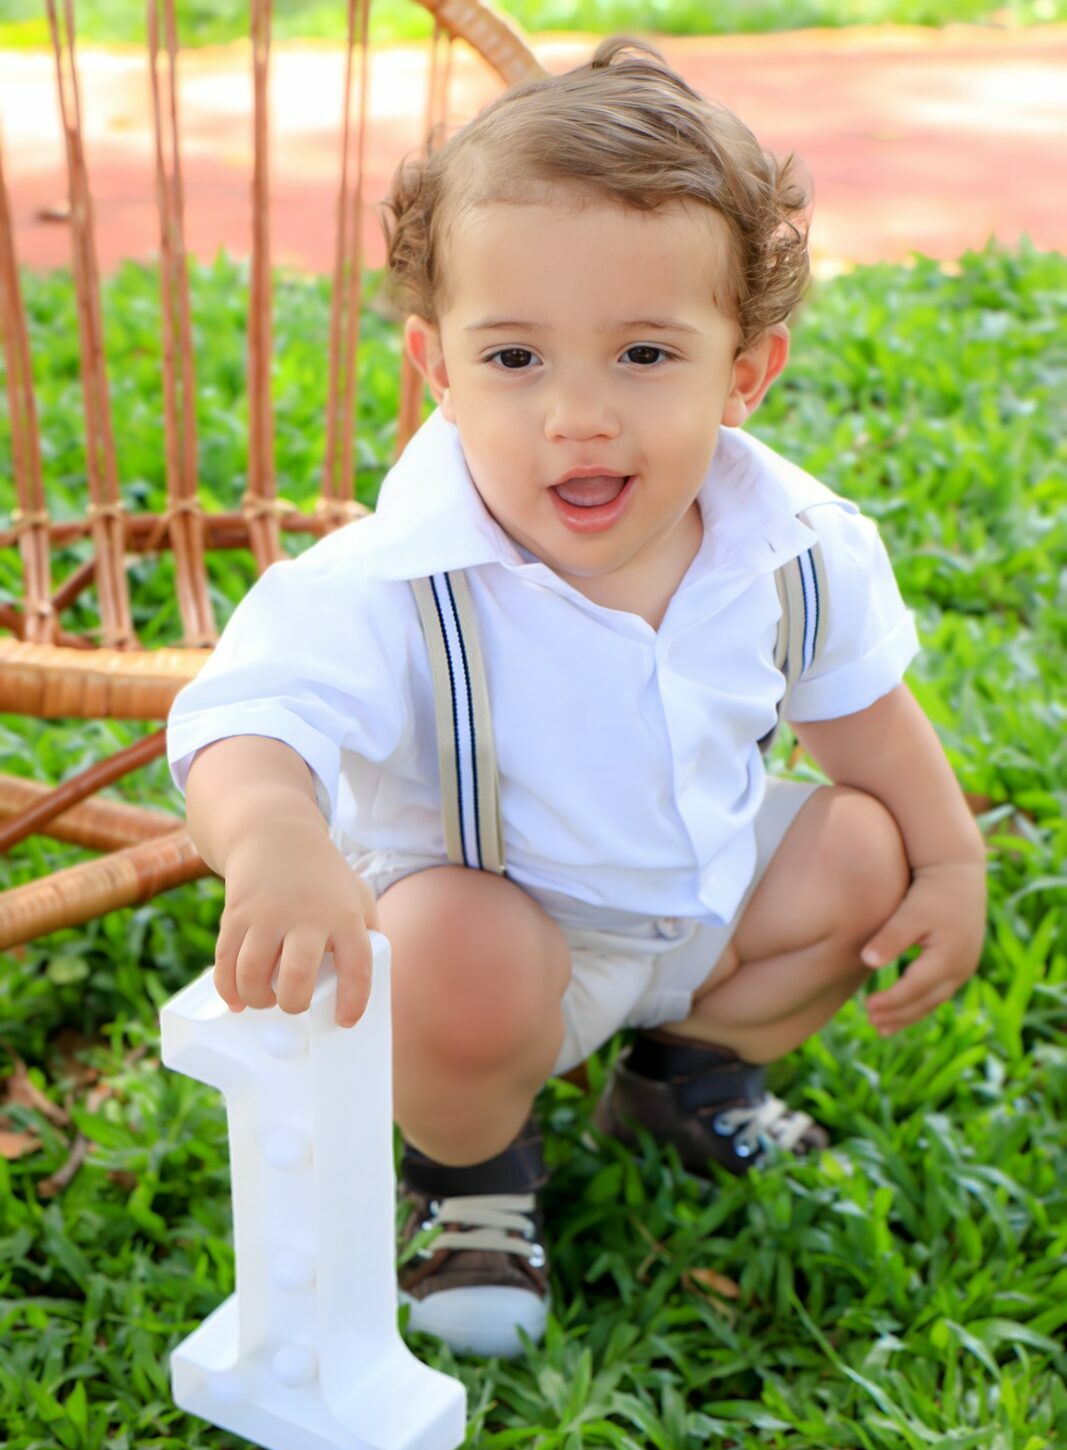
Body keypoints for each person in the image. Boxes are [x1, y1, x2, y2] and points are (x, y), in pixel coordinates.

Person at [166, 36, 987, 1360]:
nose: (578, 416)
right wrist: (273, 840)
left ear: (746, 372)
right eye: (516, 359)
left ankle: (684, 1077)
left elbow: (867, 724)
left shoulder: (794, 546)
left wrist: (951, 864)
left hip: (703, 904)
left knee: (865, 849)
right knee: (452, 948)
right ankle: (470, 1175)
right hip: (500, 944)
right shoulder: (398, 578)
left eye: (645, 354)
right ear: (438, 368)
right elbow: (248, 719)